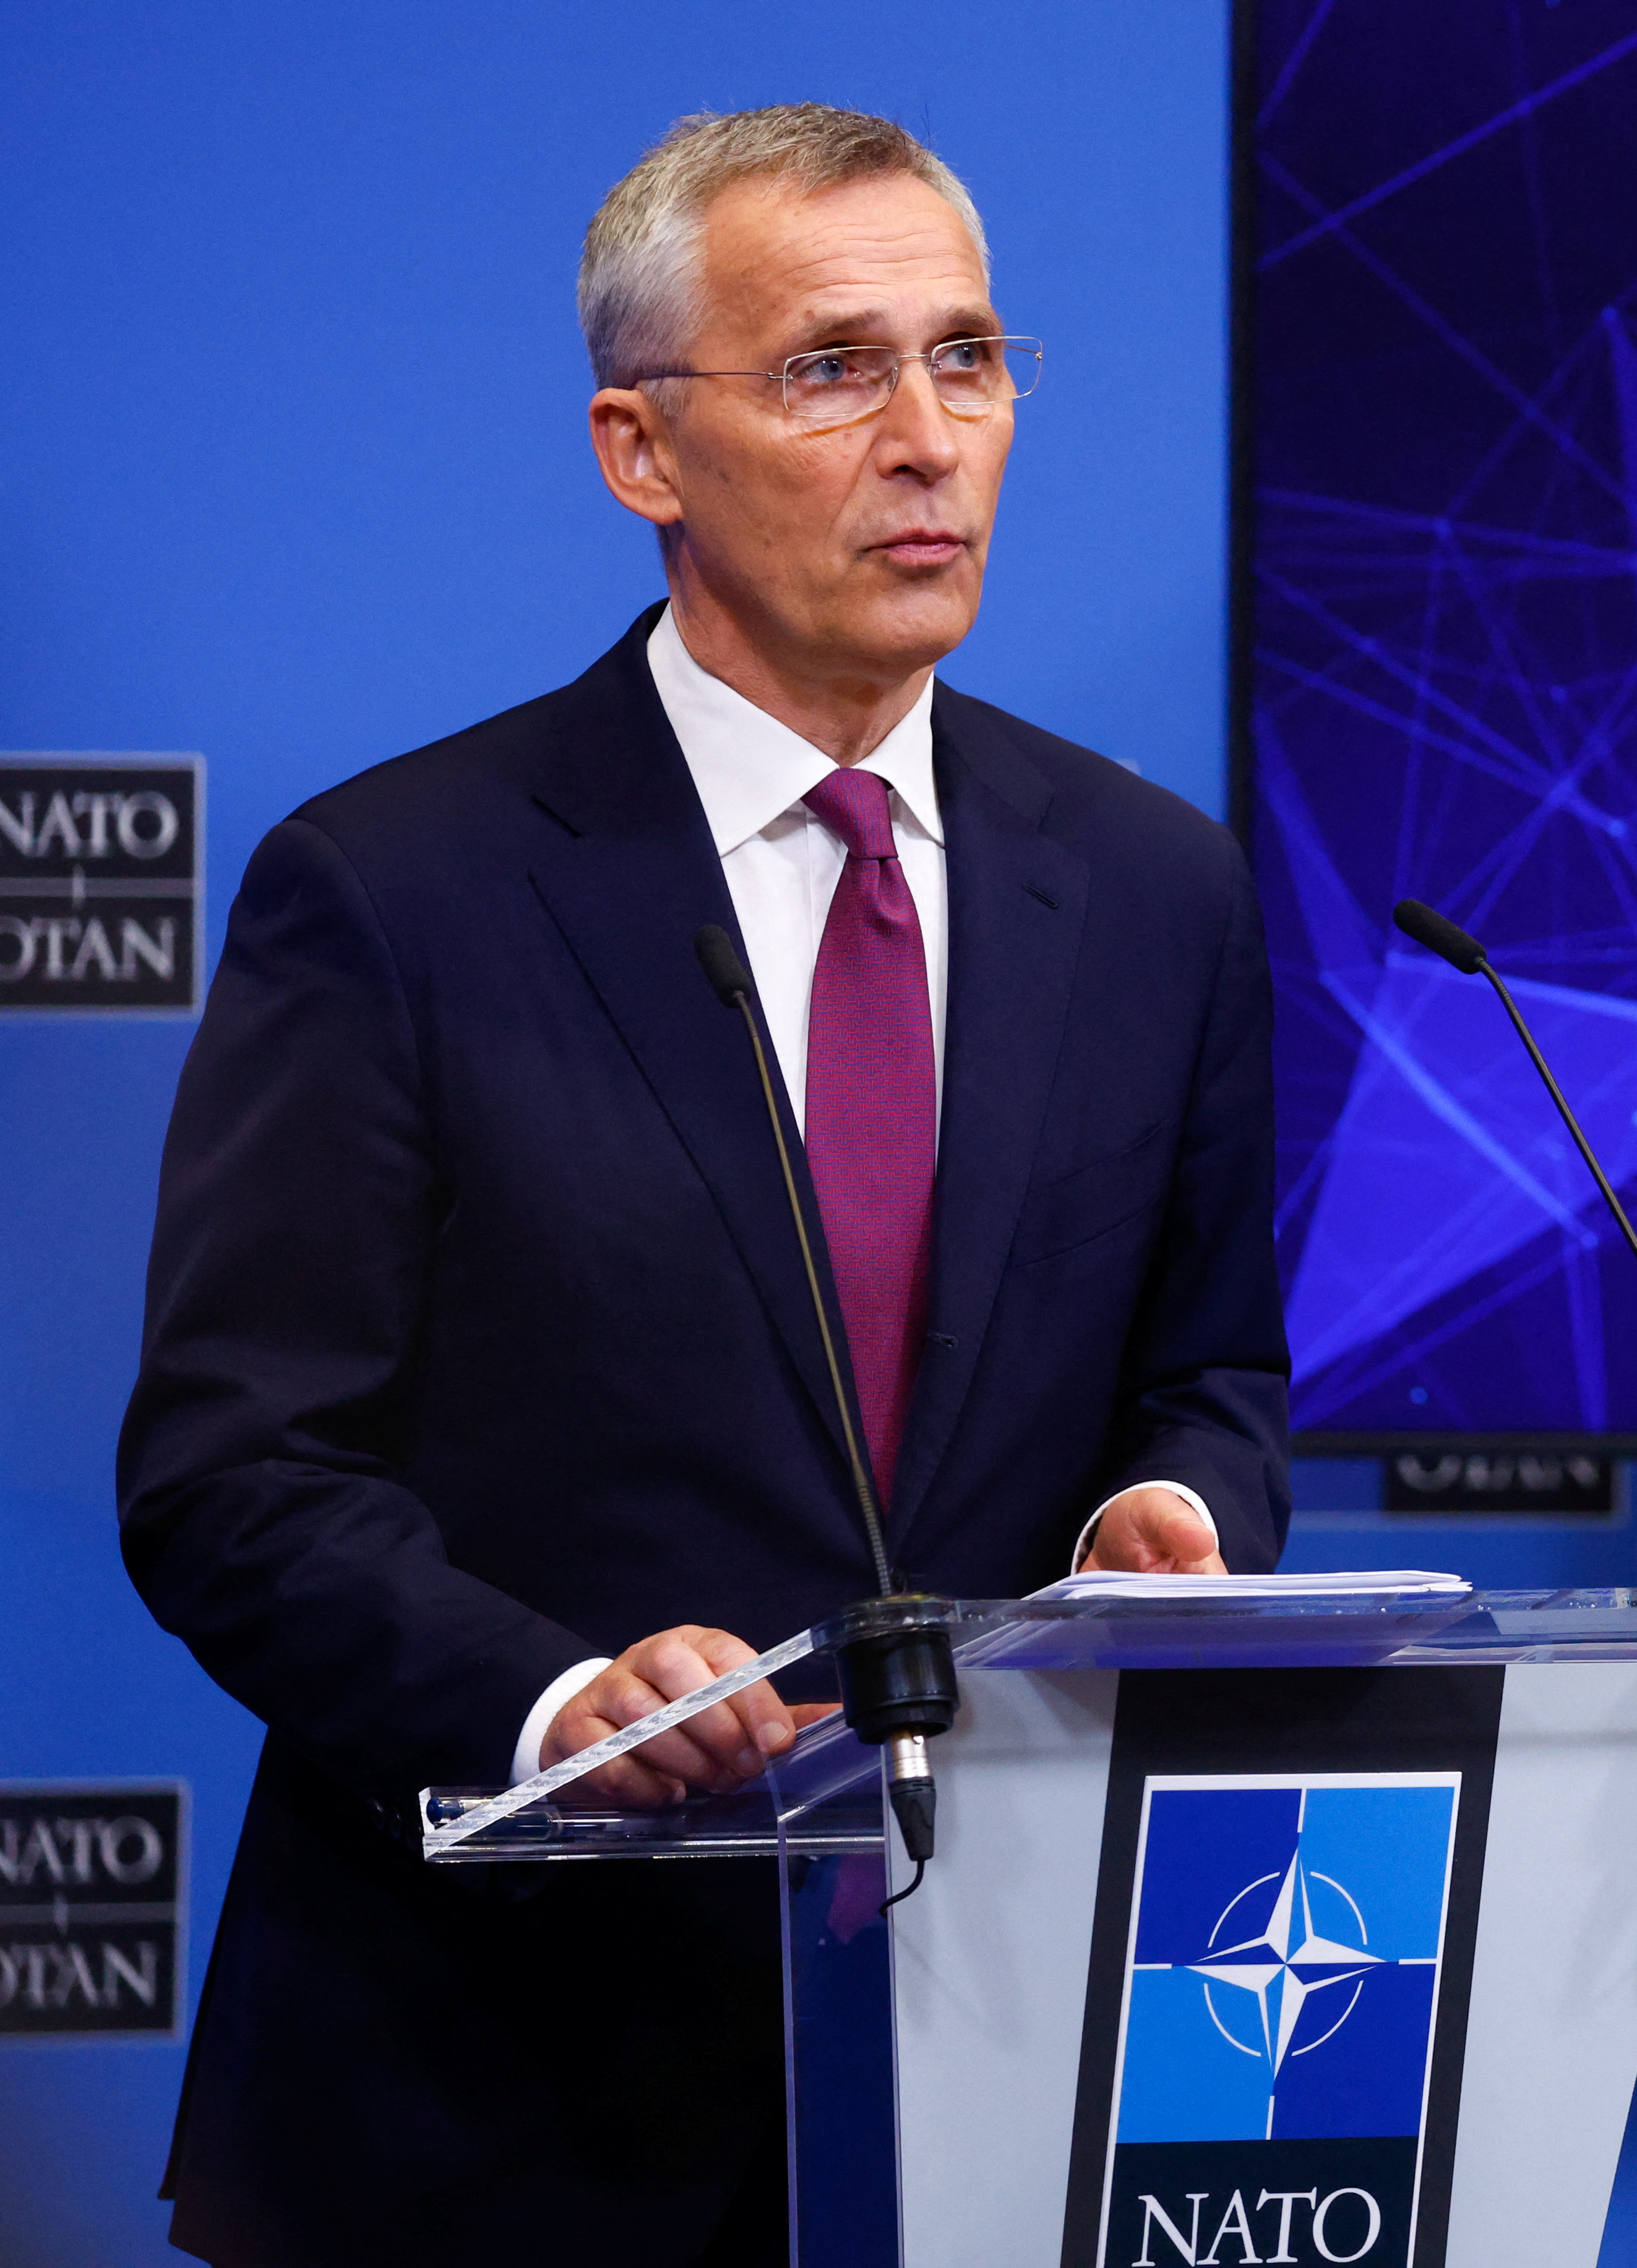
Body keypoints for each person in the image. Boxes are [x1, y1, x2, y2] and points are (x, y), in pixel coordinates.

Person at [116, 105, 1286, 2265]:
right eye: (833, 369)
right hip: (501, 2108)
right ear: (641, 453)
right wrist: (556, 1703)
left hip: (1012, 2088)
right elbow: (235, 1472)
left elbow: (1206, 1371)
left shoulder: (1152, 888)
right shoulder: (393, 892)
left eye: (968, 358)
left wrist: (1181, 1519)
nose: (929, 439)